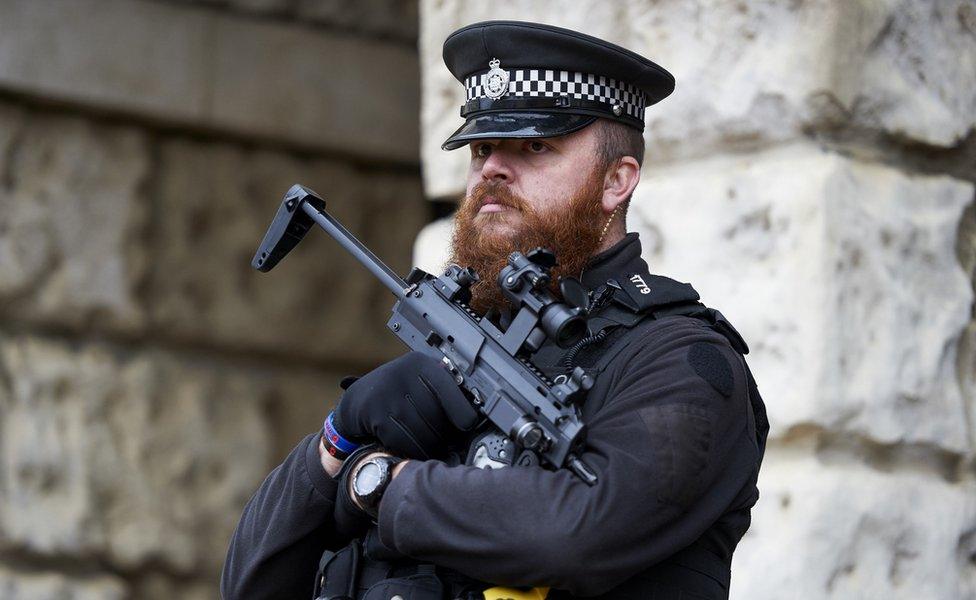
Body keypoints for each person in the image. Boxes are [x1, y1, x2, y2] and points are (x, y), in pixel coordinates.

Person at [222, 20, 768, 600]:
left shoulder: (682, 362)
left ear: (617, 182)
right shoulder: (462, 351)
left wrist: (378, 484)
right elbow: (250, 586)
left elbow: (575, 532)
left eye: (535, 147)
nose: (492, 170)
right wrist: (337, 440)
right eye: (482, 148)